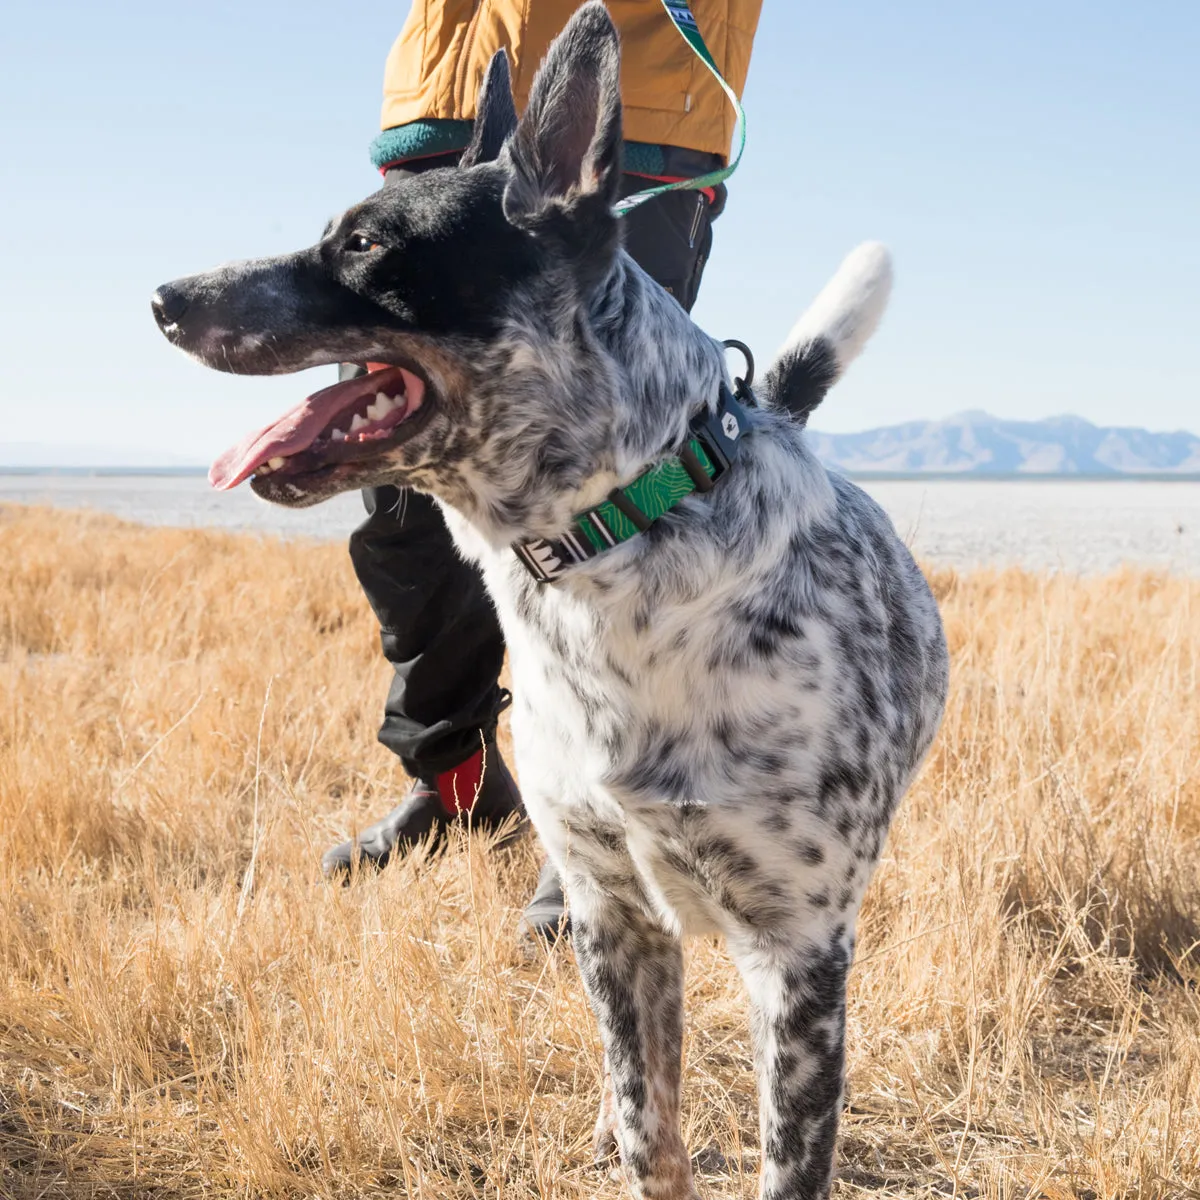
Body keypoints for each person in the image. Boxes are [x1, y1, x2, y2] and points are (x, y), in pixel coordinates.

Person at [323, 0, 764, 940]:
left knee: (608, 509)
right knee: (397, 492)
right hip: (445, 97)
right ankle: (456, 785)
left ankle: (598, 836)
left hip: (645, 100)